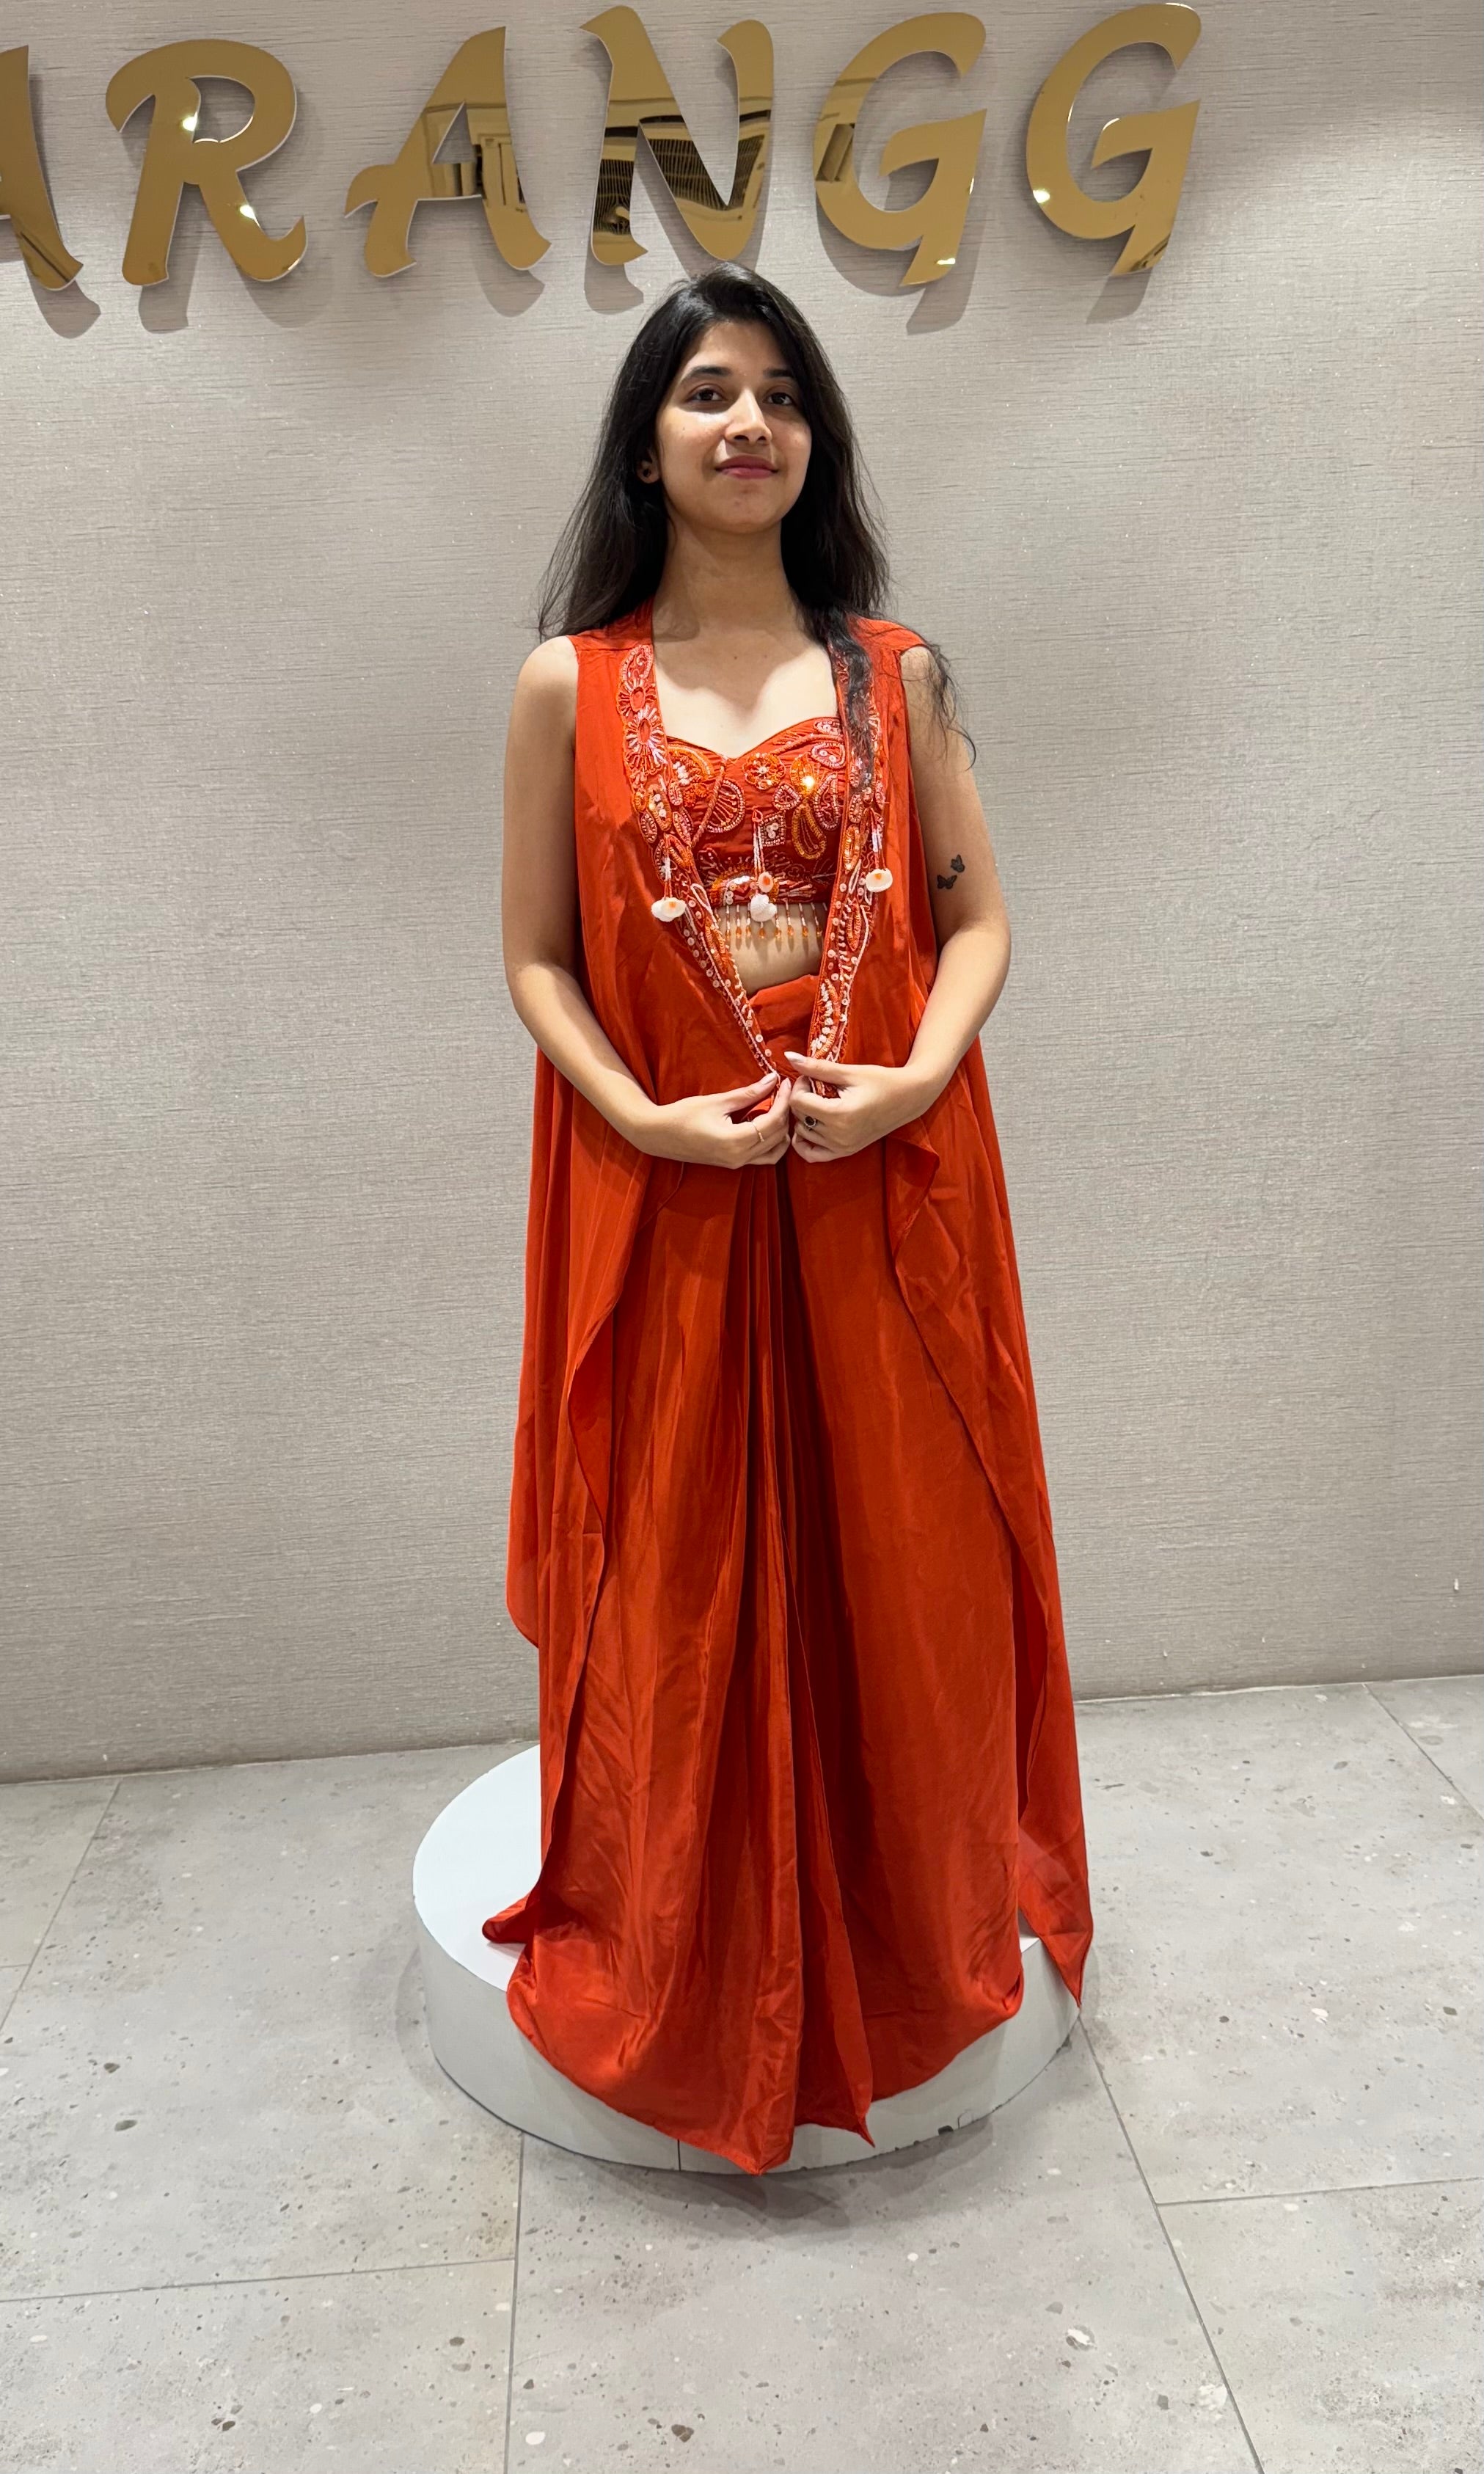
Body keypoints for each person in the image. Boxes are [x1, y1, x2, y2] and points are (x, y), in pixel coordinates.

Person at [482, 263, 1094, 2178]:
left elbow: (981, 916)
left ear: (814, 438)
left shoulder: (889, 671)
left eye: (779, 395)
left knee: (907, 1567)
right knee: (669, 1579)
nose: (746, 423)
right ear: (648, 444)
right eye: (704, 393)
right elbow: (532, 960)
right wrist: (643, 1117)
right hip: (667, 1212)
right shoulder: (567, 686)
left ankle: (910, 1926)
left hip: (881, 1208)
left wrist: (916, 1074)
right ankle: (686, 1946)